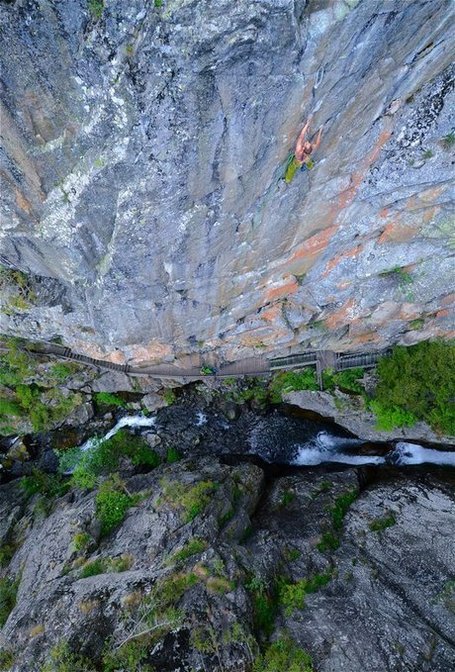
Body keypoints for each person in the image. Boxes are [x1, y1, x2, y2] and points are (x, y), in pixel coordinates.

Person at [284, 117, 323, 183]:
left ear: (304, 148)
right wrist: (320, 131)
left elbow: (301, 136)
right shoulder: (310, 149)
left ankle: (287, 180)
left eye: (307, 144)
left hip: (297, 162)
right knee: (309, 163)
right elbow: (317, 143)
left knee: (290, 171)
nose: (307, 142)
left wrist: (307, 124)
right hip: (305, 160)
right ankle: (308, 166)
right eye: (308, 143)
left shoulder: (299, 151)